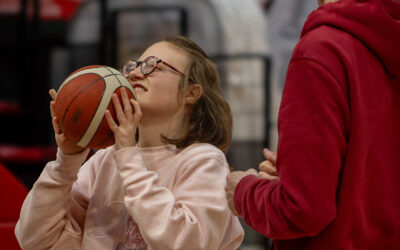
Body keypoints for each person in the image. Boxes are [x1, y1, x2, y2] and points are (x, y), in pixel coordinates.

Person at [15, 36, 244, 250]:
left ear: (191, 93)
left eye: (152, 65)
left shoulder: (204, 160)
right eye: (133, 66)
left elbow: (187, 243)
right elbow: (33, 239)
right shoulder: (105, 160)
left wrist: (128, 159)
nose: (134, 73)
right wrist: (66, 162)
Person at [225, 0, 400, 249]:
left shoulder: (322, 51)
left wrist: (243, 191)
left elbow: (302, 210)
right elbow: (372, 178)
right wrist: (301, 175)